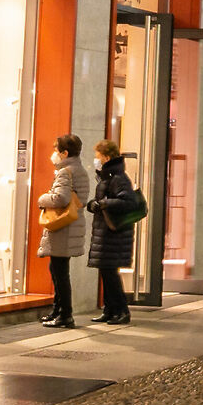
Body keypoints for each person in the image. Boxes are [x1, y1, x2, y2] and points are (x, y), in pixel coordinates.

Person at [35, 133, 89, 328]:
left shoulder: (66, 171)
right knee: (57, 270)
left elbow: (61, 199)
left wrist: (42, 199)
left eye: (55, 150)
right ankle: (57, 311)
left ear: (65, 153)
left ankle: (65, 315)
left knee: (60, 273)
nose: (53, 154)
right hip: (72, 226)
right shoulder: (79, 170)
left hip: (63, 229)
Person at [85, 139, 137, 325]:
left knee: (110, 274)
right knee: (106, 273)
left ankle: (122, 310)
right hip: (106, 233)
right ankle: (110, 309)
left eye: (98, 156)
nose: (95, 160)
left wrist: (104, 203)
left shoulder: (118, 178)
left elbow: (128, 202)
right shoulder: (108, 176)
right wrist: (94, 205)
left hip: (113, 235)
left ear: (106, 157)